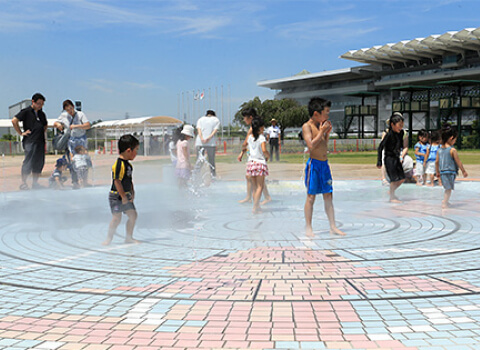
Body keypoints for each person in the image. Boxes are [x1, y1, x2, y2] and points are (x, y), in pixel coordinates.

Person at [303, 97, 345, 237]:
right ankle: (308, 226)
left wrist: (326, 134)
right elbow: (310, 145)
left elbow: (323, 145)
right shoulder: (307, 127)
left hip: (324, 165)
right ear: (316, 114)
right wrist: (322, 132)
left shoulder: (320, 126)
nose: (328, 116)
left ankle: (333, 226)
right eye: (326, 113)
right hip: (314, 165)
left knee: (328, 195)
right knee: (311, 197)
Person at [102, 134, 140, 246]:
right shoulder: (119, 165)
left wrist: (132, 192)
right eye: (136, 150)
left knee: (133, 215)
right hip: (117, 196)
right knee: (116, 218)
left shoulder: (128, 165)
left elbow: (129, 180)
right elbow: (117, 181)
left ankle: (129, 237)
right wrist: (123, 197)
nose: (136, 153)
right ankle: (108, 238)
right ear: (129, 150)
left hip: (126, 196)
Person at [11, 93, 48, 190]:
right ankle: (24, 183)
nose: (40, 106)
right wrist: (21, 133)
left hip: (40, 142)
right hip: (30, 141)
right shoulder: (26, 111)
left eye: (42, 104)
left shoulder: (41, 114)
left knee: (38, 162)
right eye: (39, 103)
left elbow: (45, 125)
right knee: (29, 162)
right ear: (33, 102)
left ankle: (35, 183)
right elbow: (14, 120)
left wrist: (40, 132)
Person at [53, 100, 91, 189]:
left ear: (73, 106)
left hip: (81, 139)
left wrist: (76, 126)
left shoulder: (80, 114)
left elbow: (88, 125)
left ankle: (84, 181)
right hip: (71, 140)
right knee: (73, 161)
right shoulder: (64, 116)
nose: (69, 111)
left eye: (70, 109)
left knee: (84, 160)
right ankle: (75, 182)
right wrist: (58, 125)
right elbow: (55, 123)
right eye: (67, 110)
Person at [237, 108, 271, 205]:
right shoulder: (256, 127)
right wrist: (242, 153)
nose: (244, 120)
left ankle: (253, 198)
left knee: (253, 178)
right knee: (255, 178)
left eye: (245, 118)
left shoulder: (252, 129)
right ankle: (259, 197)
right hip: (256, 156)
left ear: (250, 117)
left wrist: (241, 152)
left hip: (255, 157)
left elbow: (245, 143)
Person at [436, 126, 468, 208]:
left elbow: (436, 162)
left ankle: (445, 201)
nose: (454, 141)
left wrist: (437, 172)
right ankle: (445, 202)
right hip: (450, 172)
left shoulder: (439, 150)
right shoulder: (452, 150)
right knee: (448, 189)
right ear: (451, 138)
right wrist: (463, 171)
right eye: (455, 140)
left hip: (442, 172)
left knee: (447, 188)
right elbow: (458, 162)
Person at [377, 112, 406, 203]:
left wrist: (400, 155)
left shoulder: (401, 133)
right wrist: (379, 161)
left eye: (402, 125)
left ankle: (391, 191)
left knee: (402, 178)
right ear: (392, 125)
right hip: (389, 158)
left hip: (396, 158)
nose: (401, 127)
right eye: (399, 125)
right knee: (394, 179)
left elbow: (400, 145)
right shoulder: (389, 134)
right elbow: (380, 147)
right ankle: (392, 197)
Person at [247, 118, 270, 213]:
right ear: (260, 128)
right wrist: (268, 155)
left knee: (255, 187)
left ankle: (257, 207)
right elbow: (264, 150)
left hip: (251, 163)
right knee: (260, 186)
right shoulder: (261, 138)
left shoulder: (249, 138)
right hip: (260, 163)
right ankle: (255, 207)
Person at [195, 110, 220, 177]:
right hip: (211, 143)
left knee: (199, 161)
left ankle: (197, 176)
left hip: (200, 142)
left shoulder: (200, 119)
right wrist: (208, 138)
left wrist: (202, 138)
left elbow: (199, 130)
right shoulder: (216, 120)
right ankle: (213, 176)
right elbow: (214, 131)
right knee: (211, 161)